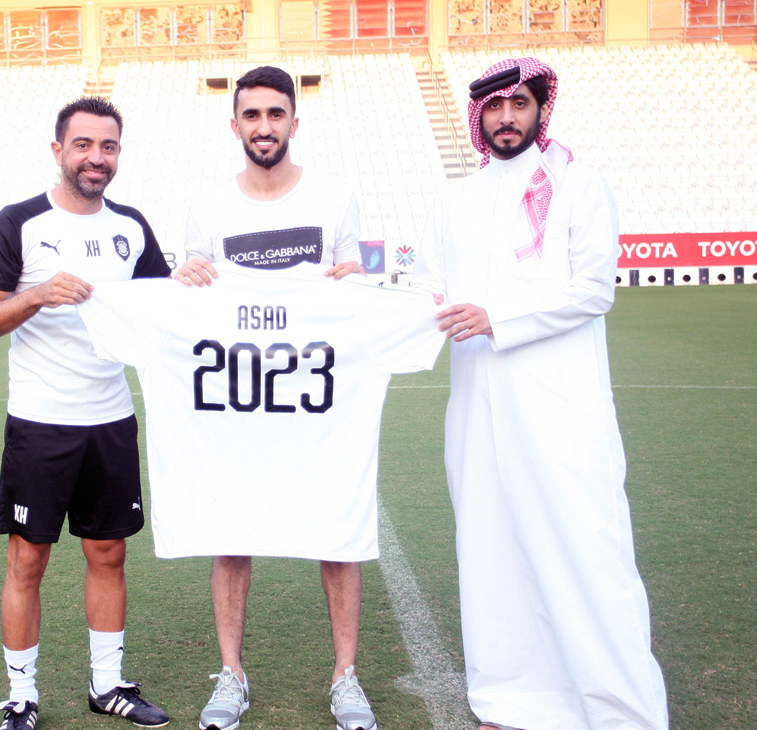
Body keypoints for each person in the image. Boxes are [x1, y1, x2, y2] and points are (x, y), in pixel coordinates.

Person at [412, 58, 669, 730]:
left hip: (561, 404)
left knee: (585, 548)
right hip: (476, 406)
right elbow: (428, 294)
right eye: (494, 107)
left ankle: (617, 709)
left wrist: (499, 319)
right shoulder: (452, 199)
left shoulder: (579, 186)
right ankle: (509, 698)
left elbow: (594, 290)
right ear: (477, 117)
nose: (505, 117)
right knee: (489, 547)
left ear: (539, 109)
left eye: (518, 104)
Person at [175, 66, 376, 730]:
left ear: (295, 120)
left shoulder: (335, 198)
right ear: (234, 125)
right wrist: (187, 277)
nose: (264, 126)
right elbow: (188, 302)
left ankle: (346, 676)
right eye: (252, 115)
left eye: (275, 114)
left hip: (318, 401)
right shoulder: (208, 207)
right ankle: (230, 674)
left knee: (338, 533)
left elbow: (361, 283)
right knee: (231, 536)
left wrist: (361, 276)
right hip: (237, 403)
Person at [0, 97, 170, 730]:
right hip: (40, 421)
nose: (96, 158)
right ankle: (21, 696)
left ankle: (107, 685)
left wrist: (189, 281)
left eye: (107, 147)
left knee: (108, 553)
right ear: (58, 151)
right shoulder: (19, 222)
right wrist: (38, 295)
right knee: (28, 558)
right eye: (83, 145)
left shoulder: (132, 226)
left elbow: (162, 309)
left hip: (110, 418)